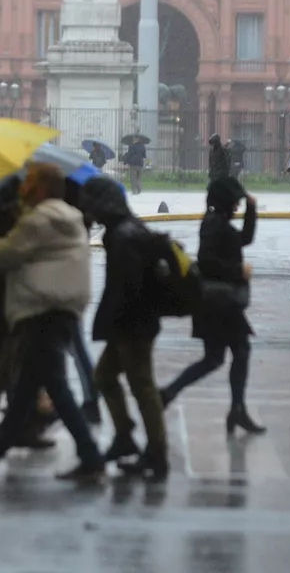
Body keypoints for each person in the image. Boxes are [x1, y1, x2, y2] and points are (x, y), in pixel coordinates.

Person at [0, 163, 105, 481]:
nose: (22, 186)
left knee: (55, 390)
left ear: (41, 188)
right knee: (27, 391)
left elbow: (1, 256)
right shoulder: (66, 216)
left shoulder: (40, 220)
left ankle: (91, 457)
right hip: (58, 312)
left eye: (28, 181)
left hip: (41, 313)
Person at [159, 177, 265, 435]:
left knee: (216, 358)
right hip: (219, 303)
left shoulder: (215, 223)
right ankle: (236, 409)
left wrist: (252, 208)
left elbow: (245, 239)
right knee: (238, 351)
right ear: (226, 202)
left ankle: (170, 393)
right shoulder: (217, 226)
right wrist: (238, 271)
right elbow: (207, 263)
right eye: (237, 202)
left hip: (214, 302)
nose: (238, 205)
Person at [83, 177, 168, 480]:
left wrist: (115, 325)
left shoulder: (124, 236)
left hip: (133, 327)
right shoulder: (124, 230)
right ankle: (125, 436)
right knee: (104, 377)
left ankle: (157, 453)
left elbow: (128, 289)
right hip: (132, 324)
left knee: (142, 386)